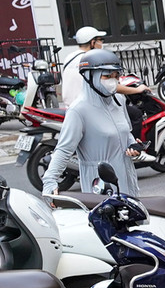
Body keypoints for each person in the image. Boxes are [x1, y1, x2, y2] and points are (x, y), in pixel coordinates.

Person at [42, 50, 140, 196]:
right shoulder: (79, 110)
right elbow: (63, 150)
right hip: (100, 184)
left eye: (116, 76)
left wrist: (133, 146)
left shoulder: (119, 100)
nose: (113, 81)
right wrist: (50, 181)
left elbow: (125, 133)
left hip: (126, 177)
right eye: (107, 76)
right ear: (89, 77)